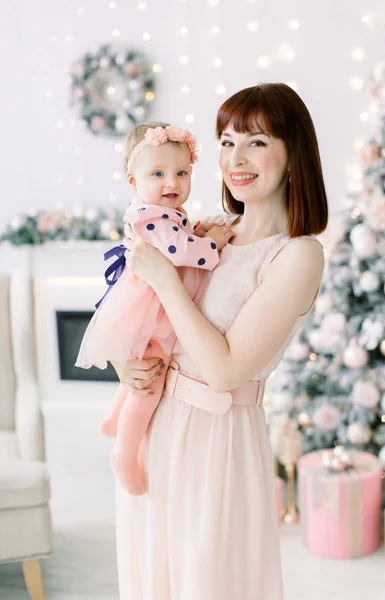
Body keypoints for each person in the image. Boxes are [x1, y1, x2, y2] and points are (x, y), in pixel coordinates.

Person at [115, 83, 328, 600]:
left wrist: (165, 278)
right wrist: (130, 364)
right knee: (155, 573)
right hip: (158, 427)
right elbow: (149, 317)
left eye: (256, 141)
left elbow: (226, 370)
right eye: (227, 141)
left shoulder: (297, 255)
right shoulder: (210, 229)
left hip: (218, 439)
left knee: (208, 579)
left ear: (293, 153)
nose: (236, 157)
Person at [75, 122, 233, 495]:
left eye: (181, 172)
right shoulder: (151, 215)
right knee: (150, 380)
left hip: (153, 303)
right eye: (158, 174)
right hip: (151, 308)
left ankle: (115, 417)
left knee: (143, 366)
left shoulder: (160, 211)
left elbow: (175, 239)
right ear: (133, 181)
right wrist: (215, 243)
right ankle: (124, 453)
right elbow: (181, 251)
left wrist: (193, 229)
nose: (171, 183)